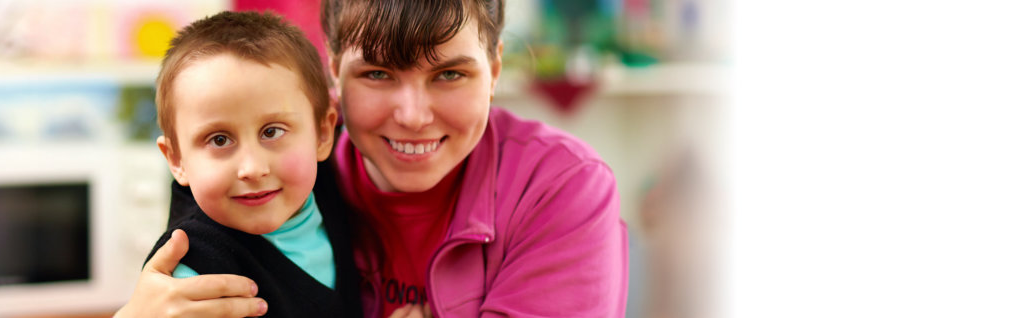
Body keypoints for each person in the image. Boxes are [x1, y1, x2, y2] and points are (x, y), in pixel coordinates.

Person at [119, 0, 628, 316]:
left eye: (450, 74)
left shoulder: (560, 187)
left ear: (493, 70)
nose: (412, 116)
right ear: (334, 73)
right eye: (378, 75)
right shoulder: (288, 184)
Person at [140, 11, 358, 318]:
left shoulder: (330, 187)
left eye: (272, 132)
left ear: (323, 134)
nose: (253, 168)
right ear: (177, 160)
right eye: (219, 140)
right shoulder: (194, 276)